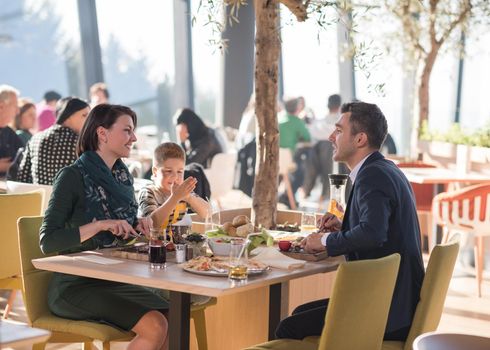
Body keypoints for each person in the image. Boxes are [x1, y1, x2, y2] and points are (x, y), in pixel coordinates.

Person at [276, 101, 425, 342]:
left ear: (360, 139)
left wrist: (324, 239)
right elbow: (380, 229)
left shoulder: (372, 175)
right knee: (299, 315)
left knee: (289, 328)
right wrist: (344, 225)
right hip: (399, 302)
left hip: (387, 309)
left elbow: (373, 233)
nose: (330, 136)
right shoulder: (384, 169)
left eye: (338, 130)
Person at [40, 104, 169, 349]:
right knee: (155, 325)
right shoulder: (71, 177)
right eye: (127, 130)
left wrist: (136, 224)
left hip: (112, 279)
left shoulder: (122, 178)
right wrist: (99, 225)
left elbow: (118, 233)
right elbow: (48, 240)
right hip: (75, 285)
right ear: (102, 133)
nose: (134, 138)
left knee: (173, 315)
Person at [17, 97, 89, 185]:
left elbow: (22, 177)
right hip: (69, 198)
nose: (88, 120)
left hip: (41, 197)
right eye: (84, 115)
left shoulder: (35, 139)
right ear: (68, 116)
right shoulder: (81, 143)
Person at [138, 141, 209, 230]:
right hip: (153, 242)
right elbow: (152, 224)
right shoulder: (148, 192)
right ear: (155, 172)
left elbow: (207, 213)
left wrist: (189, 197)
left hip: (177, 241)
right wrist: (175, 198)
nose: (175, 176)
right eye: (168, 171)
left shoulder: (182, 192)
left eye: (179, 172)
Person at [303, 94, 341, 199]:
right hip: (324, 151)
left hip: (327, 151)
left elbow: (316, 132)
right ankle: (322, 192)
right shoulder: (327, 120)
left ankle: (312, 189)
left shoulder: (329, 121)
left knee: (324, 148)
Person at [0, 85, 23, 176]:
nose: (18, 112)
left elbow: (24, 157)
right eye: (15, 106)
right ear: (1, 106)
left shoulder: (9, 132)